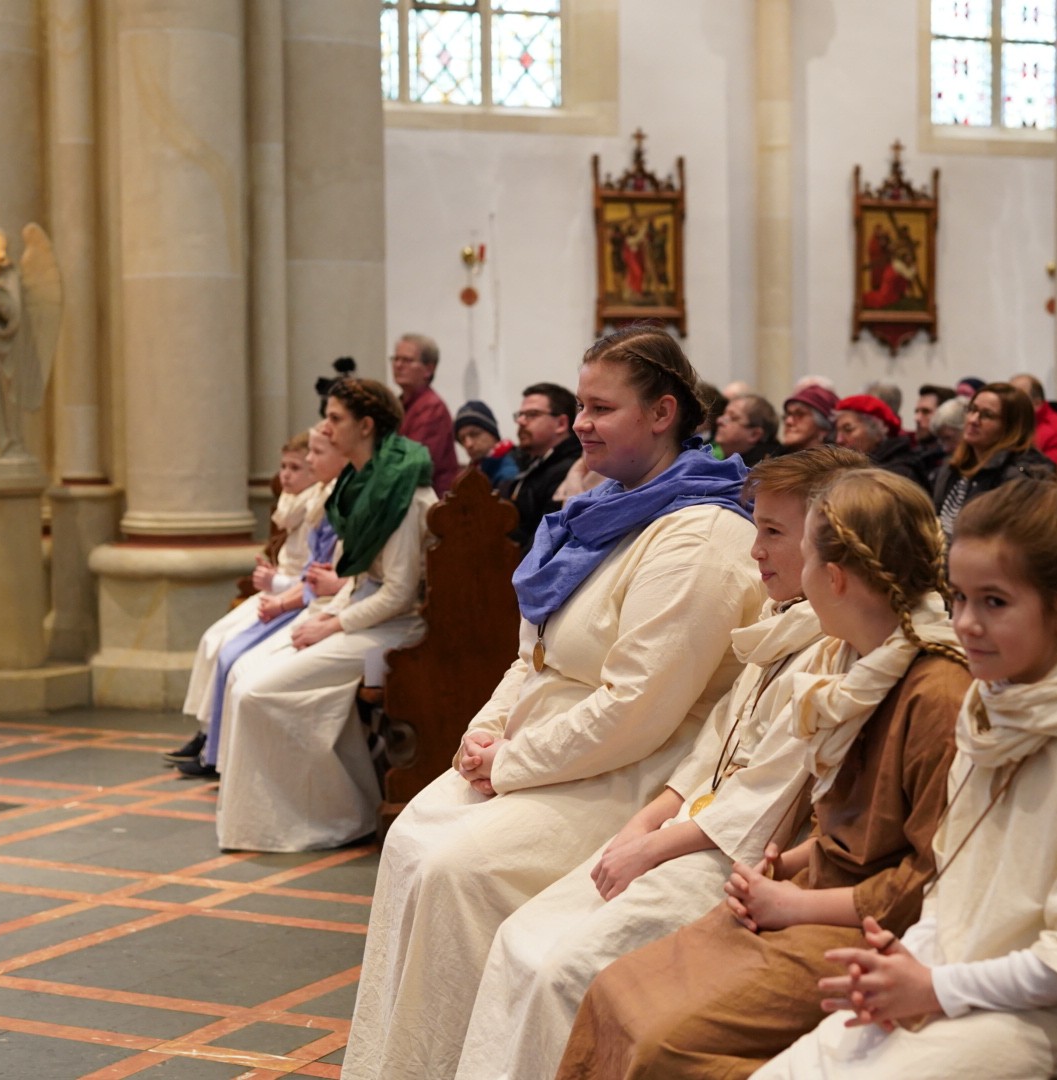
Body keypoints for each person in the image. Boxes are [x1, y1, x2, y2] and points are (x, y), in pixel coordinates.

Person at [342, 326, 766, 1080]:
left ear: (663, 413)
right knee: (411, 839)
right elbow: (531, 653)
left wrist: (509, 763)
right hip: (541, 748)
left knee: (459, 872)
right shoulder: (602, 511)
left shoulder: (699, 533)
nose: (581, 422)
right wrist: (485, 734)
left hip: (633, 770)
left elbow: (639, 706)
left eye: (602, 408)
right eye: (583, 405)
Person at [755, 480, 1057, 1079]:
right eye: (958, 597)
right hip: (955, 968)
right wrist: (905, 960)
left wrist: (932, 986)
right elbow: (952, 879)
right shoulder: (990, 705)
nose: (964, 624)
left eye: (994, 602)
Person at [456, 447, 869, 1080]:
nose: (755, 550)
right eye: (755, 527)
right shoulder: (780, 621)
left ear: (828, 547)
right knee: (518, 940)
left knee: (564, 969)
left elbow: (767, 801)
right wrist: (643, 824)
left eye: (773, 533)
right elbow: (711, 749)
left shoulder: (831, 653)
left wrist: (653, 848)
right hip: (685, 829)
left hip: (726, 856)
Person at [556, 470, 971, 1080]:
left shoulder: (937, 693)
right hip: (810, 893)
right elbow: (849, 831)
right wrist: (791, 863)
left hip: (872, 928)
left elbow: (928, 875)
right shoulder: (850, 656)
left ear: (831, 578)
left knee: (664, 1040)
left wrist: (791, 900)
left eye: (798, 554)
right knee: (615, 988)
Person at [213, 378, 437, 852]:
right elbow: (354, 577)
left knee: (258, 692)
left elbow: (397, 592)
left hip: (398, 628)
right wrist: (325, 617)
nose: (327, 427)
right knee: (245, 673)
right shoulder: (362, 484)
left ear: (366, 425)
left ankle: (336, 814)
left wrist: (330, 624)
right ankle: (306, 810)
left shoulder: (401, 493)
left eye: (336, 419)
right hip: (362, 614)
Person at [173, 430, 348, 779]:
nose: (289, 473)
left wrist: (280, 592)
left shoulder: (331, 505)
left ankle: (225, 754)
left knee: (239, 664)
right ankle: (212, 737)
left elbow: (330, 575)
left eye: (306, 459)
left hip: (312, 602)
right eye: (287, 465)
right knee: (217, 641)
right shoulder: (303, 503)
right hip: (298, 595)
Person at [929, 382, 1054, 539]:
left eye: (987, 415)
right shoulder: (952, 467)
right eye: (972, 410)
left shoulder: (1019, 477)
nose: (974, 420)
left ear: (1012, 427)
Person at [498, 382, 582, 554]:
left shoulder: (567, 471)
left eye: (532, 414)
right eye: (520, 415)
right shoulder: (531, 463)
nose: (521, 421)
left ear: (561, 423)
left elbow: (544, 543)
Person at [393, 332, 459, 494]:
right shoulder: (398, 404)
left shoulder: (432, 407)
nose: (398, 365)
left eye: (407, 360)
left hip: (430, 503)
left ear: (428, 369)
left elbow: (414, 464)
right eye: (396, 359)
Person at [833, 394, 930, 487]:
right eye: (837, 431)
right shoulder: (856, 468)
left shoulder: (897, 475)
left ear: (877, 432)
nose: (839, 440)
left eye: (848, 429)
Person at [454, 400, 522, 488]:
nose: (468, 444)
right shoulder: (477, 469)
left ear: (493, 434)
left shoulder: (508, 475)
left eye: (474, 434)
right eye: (462, 439)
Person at [1011, 372, 1057, 465]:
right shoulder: (1014, 424)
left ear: (1036, 402)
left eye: (1017, 398)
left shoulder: (1056, 431)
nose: (1009, 403)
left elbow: (1051, 473)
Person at [713, 393, 782, 465]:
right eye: (724, 414)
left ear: (754, 435)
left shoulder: (762, 472)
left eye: (733, 418)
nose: (719, 420)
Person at [780, 386, 839, 451]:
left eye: (800, 414)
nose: (788, 421)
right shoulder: (773, 458)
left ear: (823, 427)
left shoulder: (837, 460)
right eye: (787, 414)